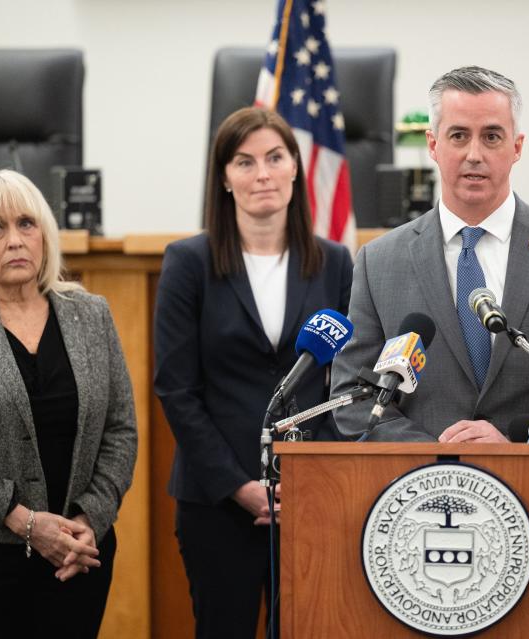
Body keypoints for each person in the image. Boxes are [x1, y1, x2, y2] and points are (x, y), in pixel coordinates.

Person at [330, 66, 529, 442]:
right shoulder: (379, 262)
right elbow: (354, 397)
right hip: (421, 489)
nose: (474, 154)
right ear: (433, 144)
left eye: (492, 136)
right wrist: (436, 456)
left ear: (517, 147)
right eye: (458, 136)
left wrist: (517, 444)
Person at [154, 106, 353, 638]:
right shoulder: (187, 263)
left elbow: (350, 385)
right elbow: (176, 389)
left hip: (310, 497)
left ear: (295, 168)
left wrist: (312, 477)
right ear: (223, 178)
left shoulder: (336, 263)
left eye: (274, 157)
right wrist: (240, 487)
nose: (262, 173)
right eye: (244, 162)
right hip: (217, 502)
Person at [0, 169, 138, 638]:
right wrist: (27, 522)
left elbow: (120, 431)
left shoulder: (91, 314)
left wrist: (88, 518)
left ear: (45, 235)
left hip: (77, 558)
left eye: (26, 224)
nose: (15, 239)